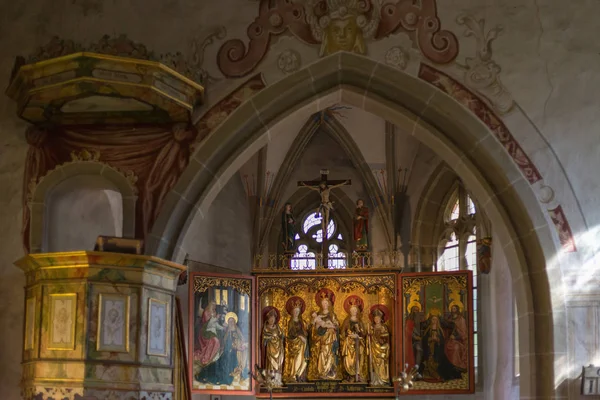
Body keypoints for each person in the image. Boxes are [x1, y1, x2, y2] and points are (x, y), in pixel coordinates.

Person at [420, 310, 462, 382]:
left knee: (438, 362)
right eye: (433, 319)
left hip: (438, 350)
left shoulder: (440, 330)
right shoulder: (428, 329)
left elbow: (442, 341)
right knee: (429, 361)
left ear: (438, 321)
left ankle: (437, 374)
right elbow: (424, 339)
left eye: (436, 319)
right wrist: (429, 339)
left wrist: (438, 340)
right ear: (431, 320)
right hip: (429, 350)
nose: (434, 321)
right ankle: (435, 375)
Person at [308, 289, 340, 380]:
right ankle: (321, 372)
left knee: (330, 354)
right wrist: (317, 326)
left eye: (326, 303)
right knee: (322, 353)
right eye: (323, 303)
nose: (325, 305)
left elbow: (337, 326)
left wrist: (331, 325)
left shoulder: (332, 315)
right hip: (321, 339)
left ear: (329, 304)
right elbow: (312, 327)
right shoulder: (318, 315)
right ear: (320, 305)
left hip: (330, 339)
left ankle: (329, 372)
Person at [340, 296, 367, 382]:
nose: (353, 311)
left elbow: (363, 333)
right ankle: (349, 375)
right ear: (349, 311)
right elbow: (342, 332)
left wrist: (358, 335)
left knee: (358, 359)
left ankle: (357, 375)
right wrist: (348, 335)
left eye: (355, 310)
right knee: (349, 360)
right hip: (348, 343)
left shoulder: (359, 321)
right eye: (352, 310)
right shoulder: (347, 321)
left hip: (358, 343)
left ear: (357, 311)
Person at [283, 297, 308, 383]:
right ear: (292, 312)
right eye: (295, 311)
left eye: (298, 311)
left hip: (301, 344)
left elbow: (305, 332)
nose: (296, 313)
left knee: (302, 359)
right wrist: (299, 336)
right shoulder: (289, 322)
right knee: (294, 359)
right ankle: (293, 375)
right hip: (293, 344)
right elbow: (289, 334)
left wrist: (304, 335)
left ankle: (300, 375)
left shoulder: (302, 322)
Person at [194, 301, 223, 367]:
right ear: (210, 305)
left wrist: (222, 328)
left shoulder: (214, 312)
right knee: (215, 341)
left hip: (213, 331)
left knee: (217, 341)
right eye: (213, 305)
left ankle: (213, 358)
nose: (214, 307)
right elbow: (208, 324)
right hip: (206, 331)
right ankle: (206, 358)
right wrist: (216, 318)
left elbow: (215, 324)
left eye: (215, 305)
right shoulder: (206, 312)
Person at [261, 307, 285, 386]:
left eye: (273, 319)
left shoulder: (277, 327)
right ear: (267, 319)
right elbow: (264, 337)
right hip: (270, 349)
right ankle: (270, 380)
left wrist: (281, 336)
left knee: (278, 365)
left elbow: (282, 336)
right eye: (270, 319)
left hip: (278, 348)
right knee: (270, 364)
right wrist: (269, 338)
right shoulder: (265, 328)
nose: (272, 320)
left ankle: (277, 380)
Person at [368, 306, 390, 386]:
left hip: (381, 348)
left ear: (381, 319)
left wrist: (380, 337)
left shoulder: (384, 327)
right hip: (374, 349)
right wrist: (369, 336)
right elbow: (370, 337)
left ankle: (382, 379)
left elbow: (386, 337)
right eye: (375, 318)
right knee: (374, 364)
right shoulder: (372, 327)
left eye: (378, 318)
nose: (376, 320)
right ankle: (375, 380)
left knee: (381, 363)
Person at [444, 304, 468, 371]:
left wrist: (455, 337)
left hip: (459, 341)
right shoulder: (449, 319)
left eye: (454, 308)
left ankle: (456, 366)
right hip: (450, 340)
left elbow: (464, 333)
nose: (452, 310)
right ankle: (449, 366)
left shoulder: (461, 319)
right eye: (452, 309)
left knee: (455, 348)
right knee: (445, 347)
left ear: (457, 310)